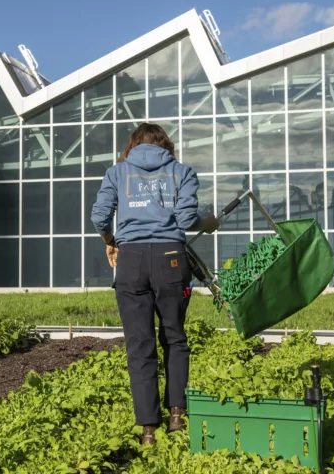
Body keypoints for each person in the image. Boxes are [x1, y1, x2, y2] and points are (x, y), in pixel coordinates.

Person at [90, 122, 219, 445]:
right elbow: (188, 219)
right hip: (170, 258)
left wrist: (111, 240)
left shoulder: (117, 173)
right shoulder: (181, 171)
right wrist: (210, 222)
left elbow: (99, 217)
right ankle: (176, 413)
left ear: (133, 145)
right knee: (174, 338)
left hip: (131, 259)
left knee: (139, 345)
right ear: (165, 145)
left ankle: (148, 429)